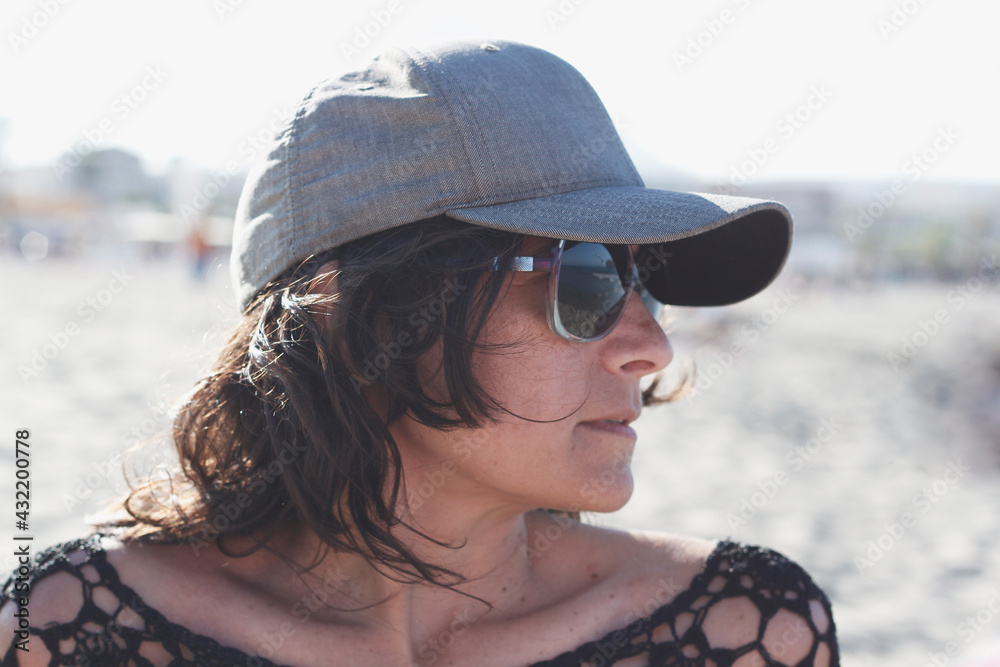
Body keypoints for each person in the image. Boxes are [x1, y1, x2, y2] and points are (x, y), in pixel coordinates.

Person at [0, 40, 839, 666]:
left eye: (646, 283)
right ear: (357, 315)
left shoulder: (741, 631)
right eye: (587, 278)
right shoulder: (67, 629)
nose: (650, 345)